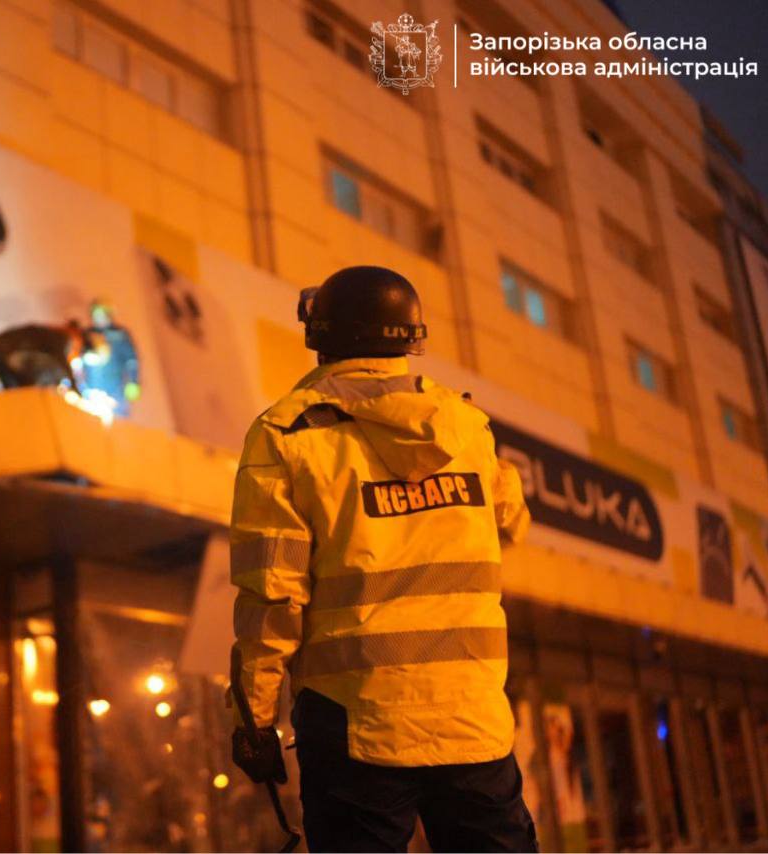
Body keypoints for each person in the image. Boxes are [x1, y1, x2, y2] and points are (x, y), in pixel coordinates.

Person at [228, 266, 537, 852]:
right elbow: (512, 521)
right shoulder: (466, 427)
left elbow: (272, 595)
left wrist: (254, 719)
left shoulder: (286, 434)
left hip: (353, 724)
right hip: (471, 716)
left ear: (320, 336)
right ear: (411, 337)